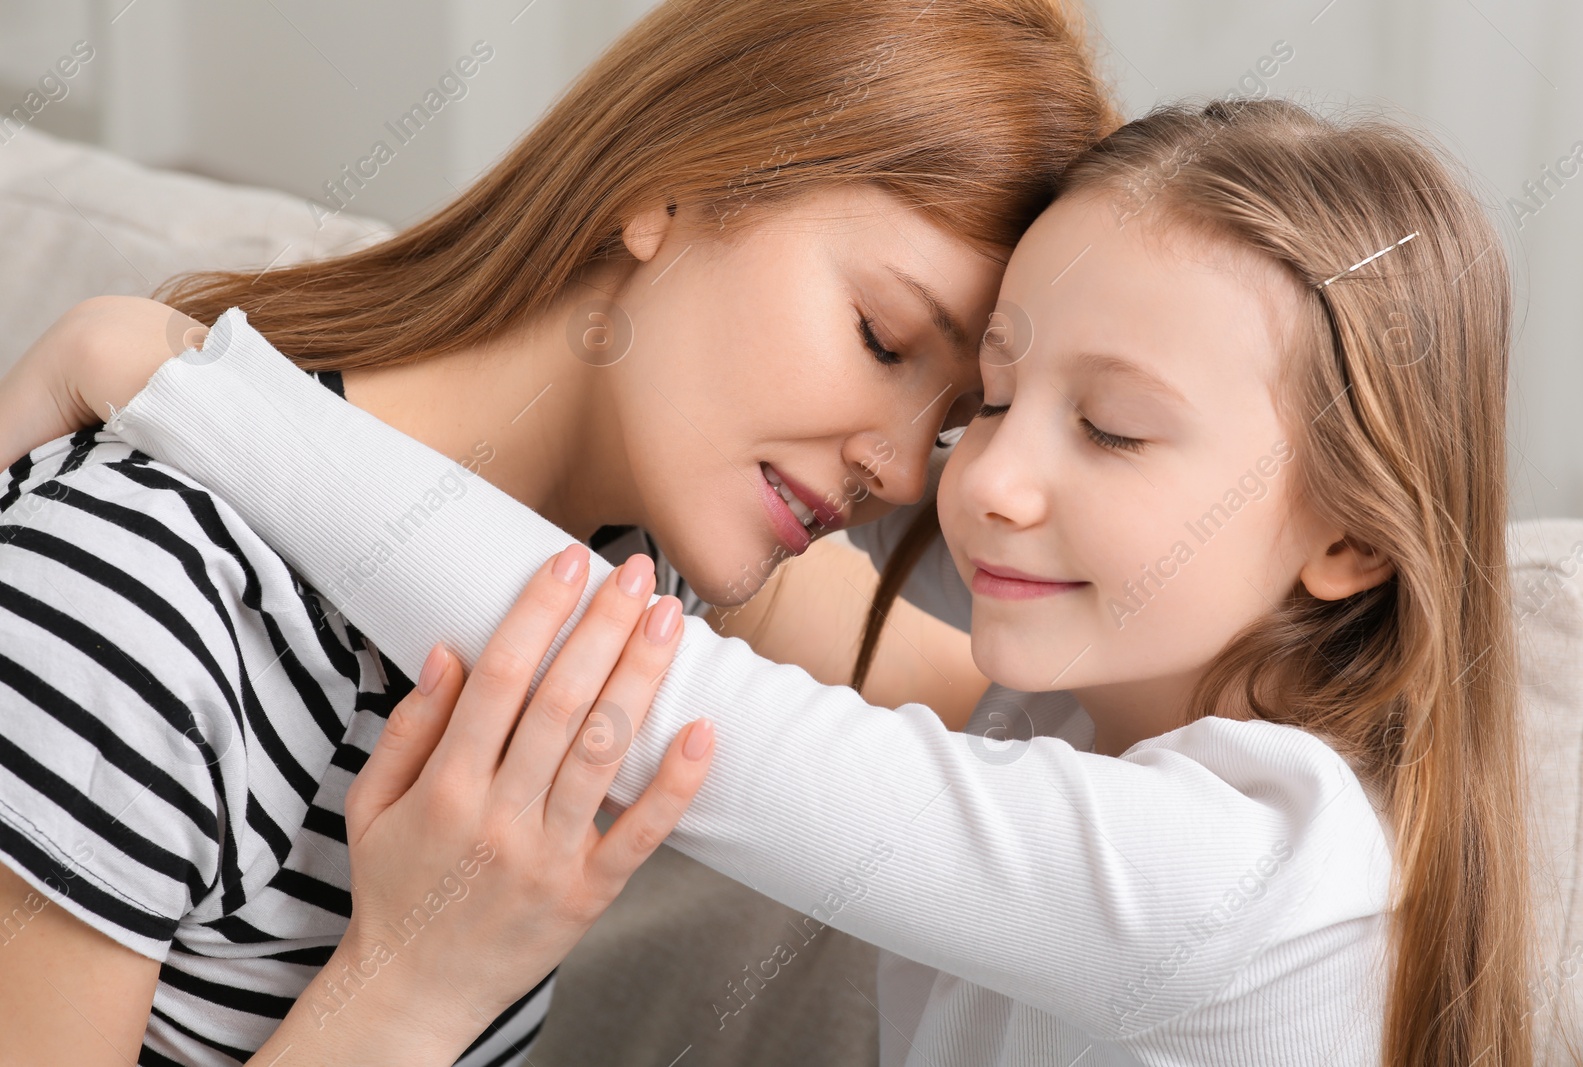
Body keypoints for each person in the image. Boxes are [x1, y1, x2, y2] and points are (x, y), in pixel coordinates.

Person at [4, 99, 1535, 1065]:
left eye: (1117, 425)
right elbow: (739, 633)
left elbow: (688, 692)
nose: (970, 476)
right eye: (981, 401)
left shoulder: (1242, 863)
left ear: (1354, 538)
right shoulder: (1047, 738)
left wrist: (165, 372)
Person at [0, 1, 1116, 1063]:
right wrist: (412, 984)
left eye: (952, 421)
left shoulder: (645, 549)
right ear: (667, 190)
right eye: (881, 338)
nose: (891, 465)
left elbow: (1053, 735)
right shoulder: (132, 600)